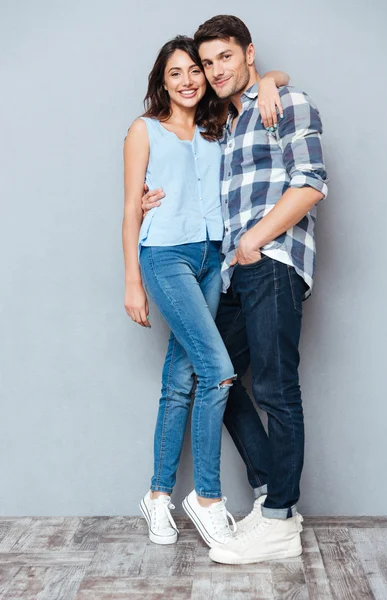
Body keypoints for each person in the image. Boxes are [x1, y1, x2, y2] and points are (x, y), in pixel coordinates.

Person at [142, 15, 328, 563]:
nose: (215, 70)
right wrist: (151, 201)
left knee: (275, 388)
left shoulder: (286, 101)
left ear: (248, 53)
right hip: (232, 273)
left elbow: (311, 183)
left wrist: (254, 240)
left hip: (270, 261)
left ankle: (278, 523)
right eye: (208, 62)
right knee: (217, 377)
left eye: (226, 57)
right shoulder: (228, 118)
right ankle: (273, 493)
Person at [122, 35, 289, 548]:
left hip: (213, 260)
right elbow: (131, 207)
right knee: (218, 372)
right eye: (176, 73)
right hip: (166, 258)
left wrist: (265, 81)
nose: (189, 80)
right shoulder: (144, 130)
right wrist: (133, 280)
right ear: (162, 81)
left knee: (181, 379)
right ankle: (208, 498)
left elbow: (277, 80)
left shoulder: (222, 127)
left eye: (195, 70)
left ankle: (156, 496)